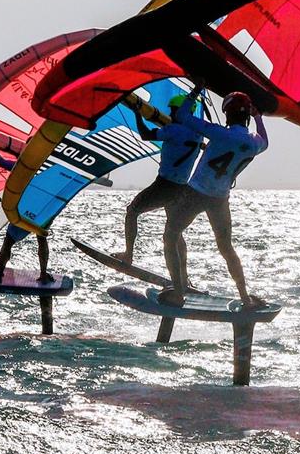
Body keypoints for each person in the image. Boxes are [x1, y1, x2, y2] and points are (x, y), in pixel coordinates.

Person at [160, 82, 268, 309]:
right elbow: (265, 142)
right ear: (247, 115)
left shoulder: (218, 133)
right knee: (226, 247)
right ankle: (245, 298)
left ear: (227, 114)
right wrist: (259, 117)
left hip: (196, 193)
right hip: (220, 199)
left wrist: (197, 89)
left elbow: (182, 115)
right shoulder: (253, 143)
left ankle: (179, 293)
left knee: (171, 235)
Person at [114, 94, 203, 286]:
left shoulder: (173, 130)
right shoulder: (198, 134)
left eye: (173, 111)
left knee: (132, 211)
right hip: (182, 188)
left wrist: (137, 114)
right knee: (175, 232)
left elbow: (146, 135)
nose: (170, 113)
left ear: (181, 112)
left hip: (164, 185)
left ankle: (128, 255)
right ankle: (184, 278)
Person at [0, 142, 52, 284]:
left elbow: (2, 162)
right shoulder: (47, 167)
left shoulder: (24, 167)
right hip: (43, 211)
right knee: (42, 239)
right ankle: (44, 274)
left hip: (25, 212)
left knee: (8, 241)